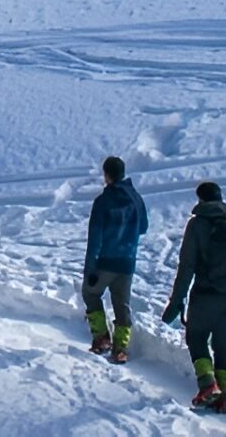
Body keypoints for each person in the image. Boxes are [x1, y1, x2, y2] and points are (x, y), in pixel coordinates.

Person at [161, 181, 226, 414]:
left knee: (196, 337)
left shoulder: (198, 225)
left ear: (200, 200)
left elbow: (186, 266)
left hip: (208, 292)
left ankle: (208, 385)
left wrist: (176, 301)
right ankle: (223, 395)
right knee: (223, 342)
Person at [82, 155, 147, 363]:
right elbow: (144, 227)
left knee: (90, 294)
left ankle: (101, 338)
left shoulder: (102, 201)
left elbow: (95, 238)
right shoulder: (136, 198)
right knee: (122, 304)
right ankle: (120, 349)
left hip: (105, 262)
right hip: (127, 262)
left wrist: (90, 269)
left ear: (107, 175)